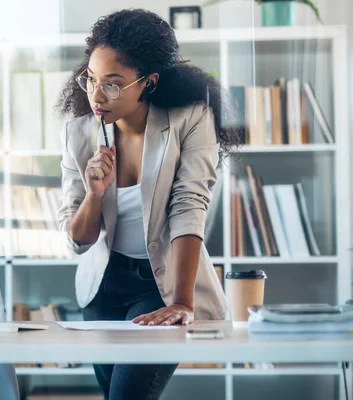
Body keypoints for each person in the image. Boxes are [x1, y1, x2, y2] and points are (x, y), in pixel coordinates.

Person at [56, 9, 239, 400]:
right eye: (91, 78)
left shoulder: (191, 118)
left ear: (149, 83)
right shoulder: (78, 133)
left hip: (162, 284)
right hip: (102, 287)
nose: (96, 95)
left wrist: (182, 302)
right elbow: (78, 240)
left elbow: (189, 206)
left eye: (113, 84)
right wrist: (94, 193)